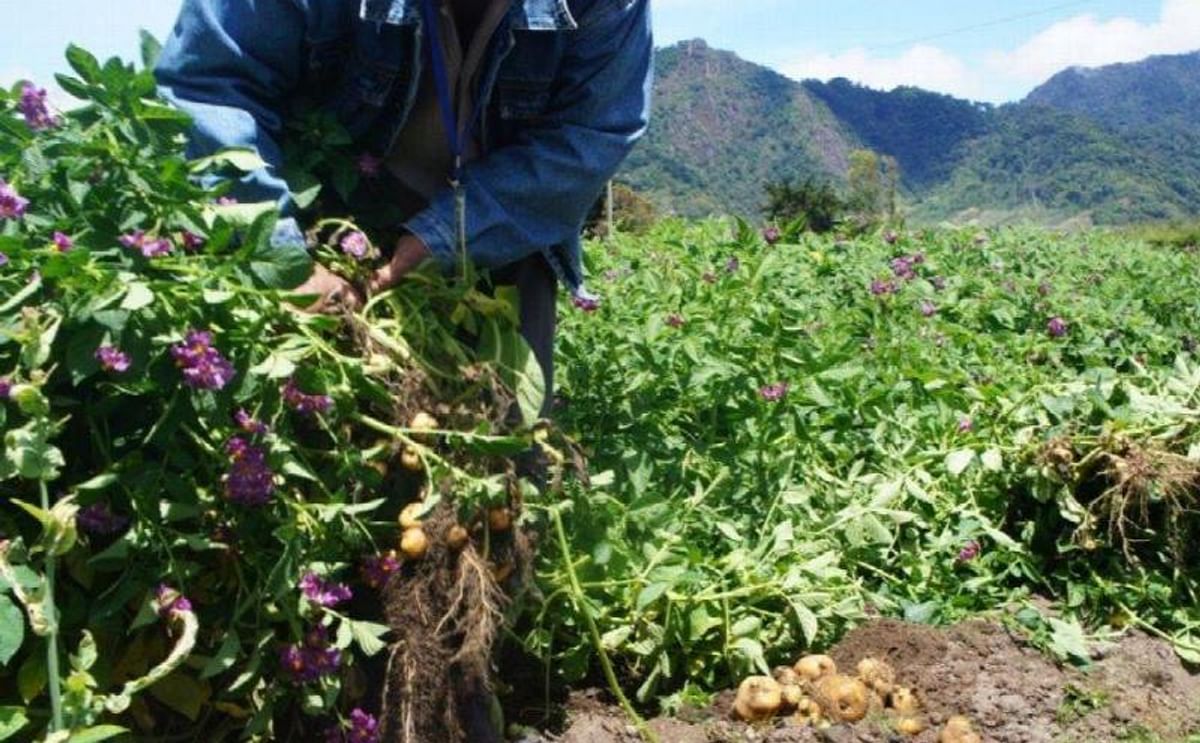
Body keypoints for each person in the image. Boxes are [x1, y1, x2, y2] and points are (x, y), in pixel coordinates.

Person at [155, 0, 653, 414]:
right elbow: (212, 86)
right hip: (332, 204)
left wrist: (445, 235)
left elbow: (593, 131)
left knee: (509, 440)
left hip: (511, 215)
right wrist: (281, 257)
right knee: (314, 418)